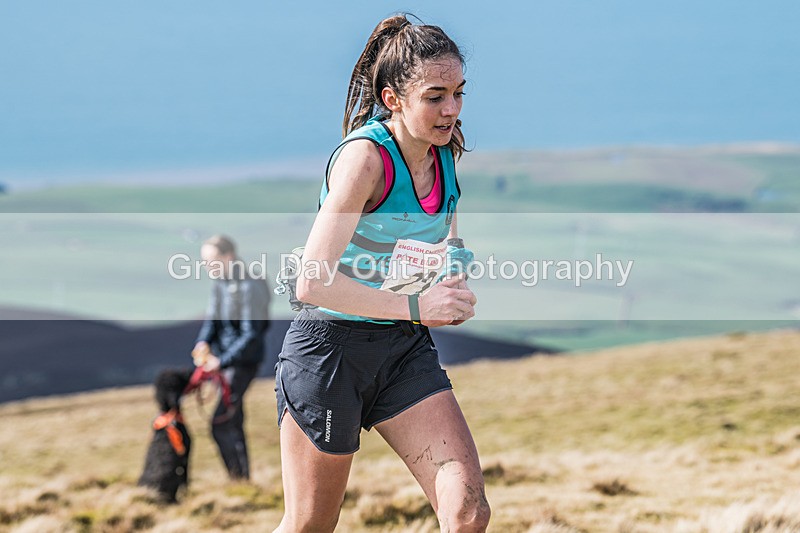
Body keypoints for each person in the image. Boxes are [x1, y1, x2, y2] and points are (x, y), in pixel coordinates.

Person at [274, 14, 490, 532]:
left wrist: (450, 267)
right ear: (393, 99)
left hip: (400, 349)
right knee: (309, 526)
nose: (452, 109)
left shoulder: (443, 148)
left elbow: (439, 231)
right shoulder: (364, 160)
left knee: (467, 513)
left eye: (459, 92)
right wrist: (420, 306)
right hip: (328, 352)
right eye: (435, 96)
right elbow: (311, 282)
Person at [193, 234, 270, 480]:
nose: (208, 267)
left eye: (212, 261)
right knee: (233, 420)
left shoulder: (250, 286)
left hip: (241, 364)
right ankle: (241, 480)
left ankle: (238, 479)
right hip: (225, 363)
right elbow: (213, 320)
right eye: (205, 262)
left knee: (221, 422)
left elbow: (251, 335)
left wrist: (221, 361)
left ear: (229, 257)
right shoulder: (221, 283)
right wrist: (203, 342)